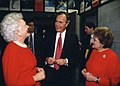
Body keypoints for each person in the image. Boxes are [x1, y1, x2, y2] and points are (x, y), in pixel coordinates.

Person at [0, 12, 45, 86]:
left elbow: (23, 69)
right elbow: (11, 83)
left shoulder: (23, 46)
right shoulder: (11, 51)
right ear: (17, 32)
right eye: (24, 25)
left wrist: (35, 69)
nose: (27, 26)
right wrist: (35, 78)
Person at [42, 11, 80, 86]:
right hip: (49, 74)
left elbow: (77, 57)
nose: (57, 24)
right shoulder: (49, 35)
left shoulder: (72, 38)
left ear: (67, 24)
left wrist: (65, 61)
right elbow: (41, 52)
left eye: (60, 22)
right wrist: (46, 59)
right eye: (56, 21)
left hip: (66, 76)